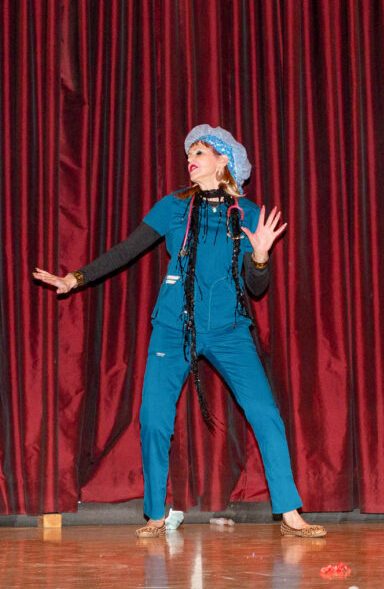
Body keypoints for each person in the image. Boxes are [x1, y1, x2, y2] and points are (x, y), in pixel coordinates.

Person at [34, 124, 325, 539]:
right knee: (154, 417)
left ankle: (290, 513)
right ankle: (155, 513)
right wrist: (75, 279)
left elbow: (256, 288)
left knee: (266, 414)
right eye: (190, 152)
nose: (191, 158)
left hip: (229, 330)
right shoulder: (173, 207)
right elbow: (126, 250)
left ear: (224, 161)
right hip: (174, 326)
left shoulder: (249, 214)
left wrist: (260, 256)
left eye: (201, 152)